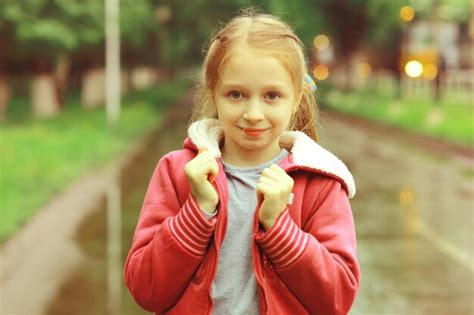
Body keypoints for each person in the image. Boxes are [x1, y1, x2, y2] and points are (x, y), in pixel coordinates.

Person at [124, 8, 360, 315]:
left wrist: (280, 229)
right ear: (213, 93)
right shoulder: (176, 172)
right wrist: (196, 213)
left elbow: (337, 299)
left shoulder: (321, 183)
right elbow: (146, 289)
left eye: (272, 96)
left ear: (298, 99)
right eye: (236, 94)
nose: (253, 113)